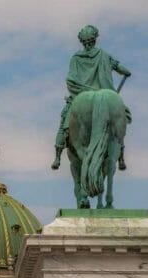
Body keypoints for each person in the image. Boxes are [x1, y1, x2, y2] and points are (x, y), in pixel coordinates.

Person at [52, 25, 131, 171]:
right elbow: (120, 67)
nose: (88, 45)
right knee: (120, 120)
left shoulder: (76, 58)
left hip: (80, 94)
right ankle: (121, 157)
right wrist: (126, 72)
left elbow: (71, 79)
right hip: (104, 92)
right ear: (94, 40)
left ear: (83, 42)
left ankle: (57, 156)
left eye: (88, 42)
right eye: (88, 42)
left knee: (64, 122)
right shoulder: (103, 54)